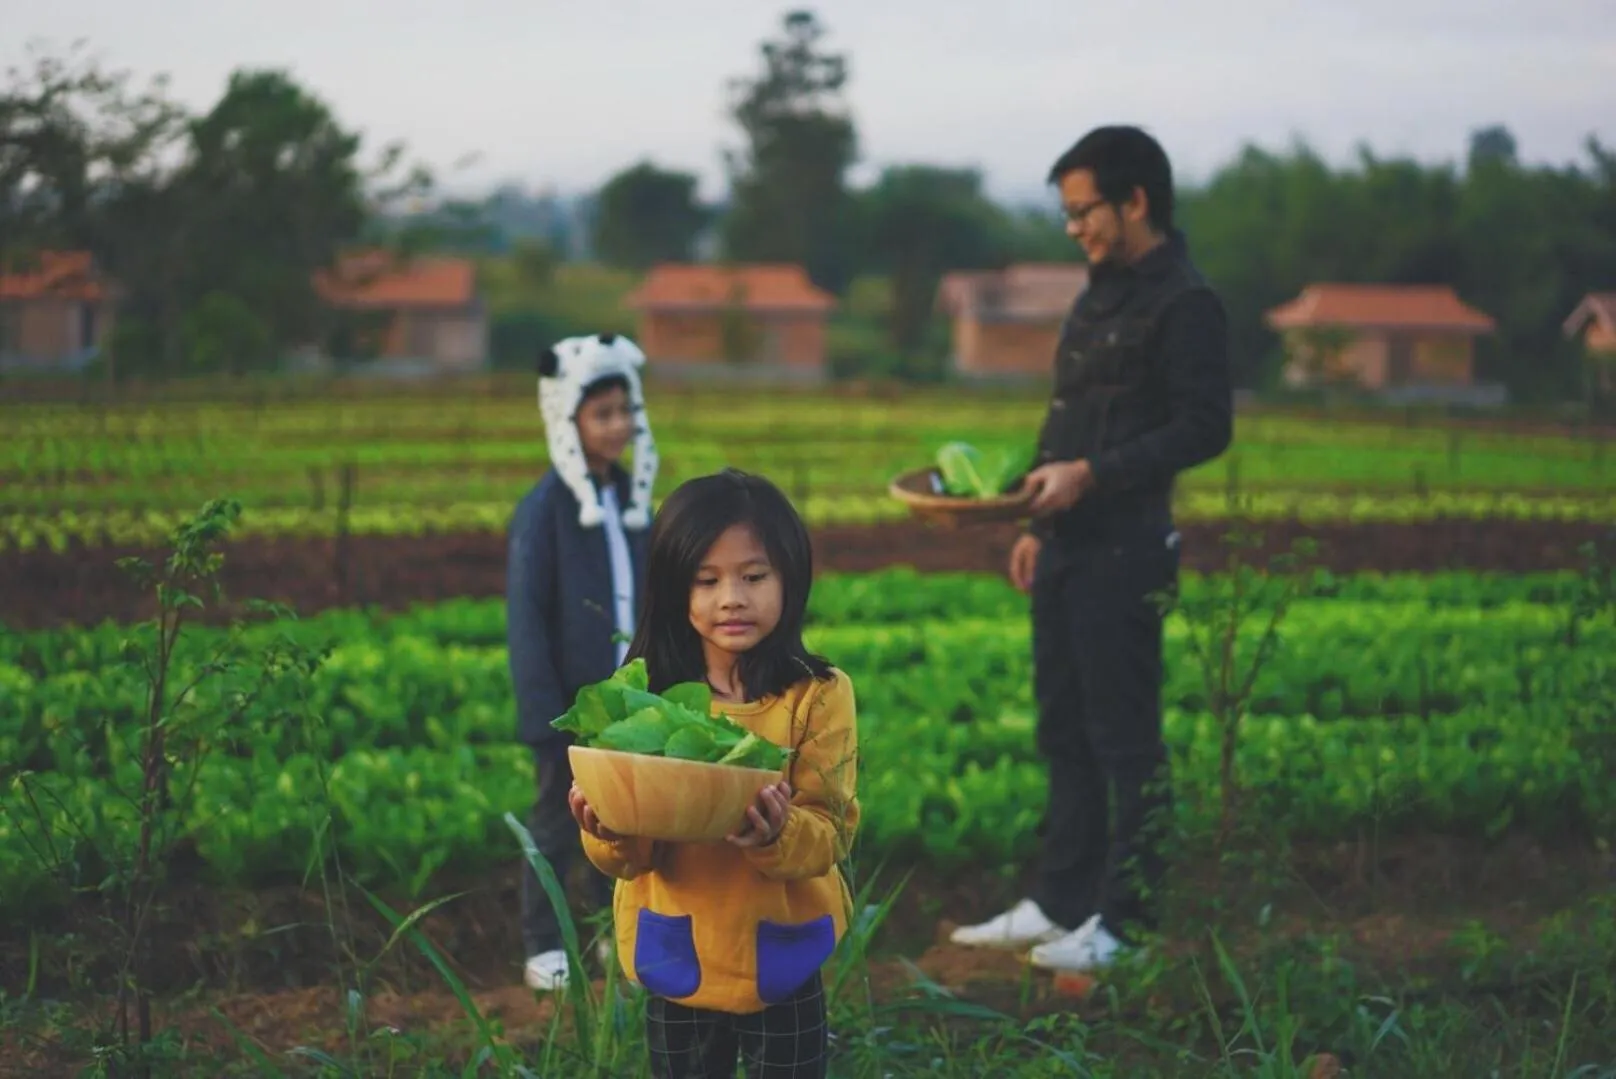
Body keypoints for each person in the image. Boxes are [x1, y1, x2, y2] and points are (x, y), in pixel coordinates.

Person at [950, 126, 1233, 972]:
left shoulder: (1186, 303)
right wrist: (1037, 517)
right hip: (1067, 545)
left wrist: (1094, 475)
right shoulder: (1094, 298)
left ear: (1135, 201)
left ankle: (1127, 923)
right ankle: (1060, 900)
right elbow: (1064, 419)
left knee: (1125, 738)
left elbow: (1203, 425)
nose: (1074, 228)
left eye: (1084, 211)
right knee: (1062, 727)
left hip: (1127, 549)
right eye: (1068, 213)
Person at [568, 469, 859, 1079]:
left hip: (781, 956)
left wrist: (778, 834)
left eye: (754, 577)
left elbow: (830, 831)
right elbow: (628, 860)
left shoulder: (816, 695)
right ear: (675, 588)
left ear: (791, 579)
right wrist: (608, 827)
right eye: (707, 580)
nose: (732, 598)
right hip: (679, 955)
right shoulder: (644, 695)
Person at [507, 331, 661, 992]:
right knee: (556, 819)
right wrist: (546, 714)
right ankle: (543, 941)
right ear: (567, 421)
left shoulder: (632, 500)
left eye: (625, 412)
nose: (620, 427)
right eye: (603, 415)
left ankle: (609, 933)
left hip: (627, 699)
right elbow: (528, 621)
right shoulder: (545, 511)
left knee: (623, 819)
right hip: (569, 700)